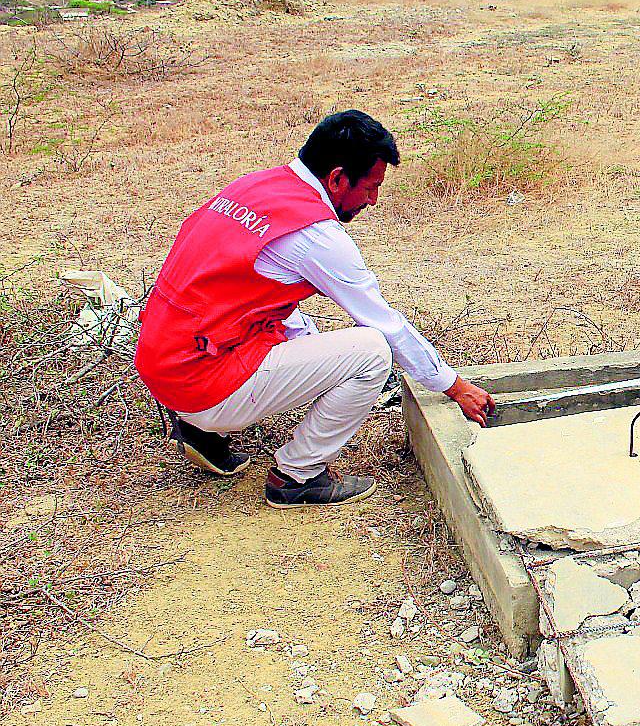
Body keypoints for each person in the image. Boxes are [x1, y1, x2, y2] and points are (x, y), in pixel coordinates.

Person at [134, 110, 495, 507]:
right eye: (371, 187)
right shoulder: (316, 237)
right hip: (197, 380)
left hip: (163, 356)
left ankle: (198, 429)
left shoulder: (255, 188)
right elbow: (385, 325)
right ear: (338, 178)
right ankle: (298, 477)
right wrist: (453, 385)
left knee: (293, 315)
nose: (372, 201)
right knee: (372, 351)